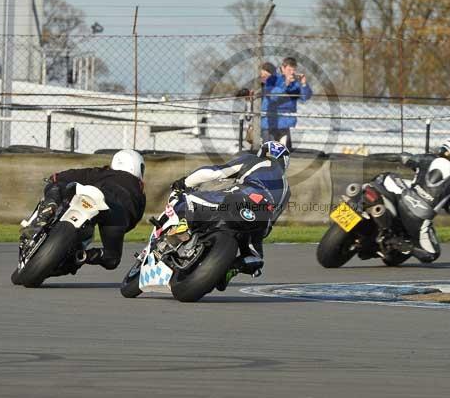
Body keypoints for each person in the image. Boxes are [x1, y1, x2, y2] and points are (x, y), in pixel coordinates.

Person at [166, 140, 291, 289]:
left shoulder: (253, 161)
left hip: (240, 198)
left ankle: (184, 226)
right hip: (260, 220)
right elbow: (269, 224)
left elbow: (215, 172)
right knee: (255, 258)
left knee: (188, 198)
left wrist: (185, 183)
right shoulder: (287, 190)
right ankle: (233, 267)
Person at [30, 149, 147, 274]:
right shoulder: (140, 193)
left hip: (95, 199)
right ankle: (83, 255)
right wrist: (117, 227)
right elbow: (133, 219)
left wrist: (54, 179)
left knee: (57, 186)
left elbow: (71, 175)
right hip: (117, 216)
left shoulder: (105, 173)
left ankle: (47, 210)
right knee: (112, 259)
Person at [361, 139, 450, 263]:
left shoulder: (428, 159)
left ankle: (360, 201)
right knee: (431, 254)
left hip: (403, 199)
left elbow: (401, 157)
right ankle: (400, 244)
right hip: (419, 219)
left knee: (384, 177)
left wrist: (371, 157)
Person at [261, 57, 312, 150]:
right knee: (269, 152)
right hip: (270, 122)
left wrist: (304, 84)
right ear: (282, 69)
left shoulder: (296, 83)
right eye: (289, 69)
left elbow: (305, 97)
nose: (292, 72)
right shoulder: (272, 80)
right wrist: (285, 84)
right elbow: (272, 97)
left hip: (285, 123)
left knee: (285, 153)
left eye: (294, 70)